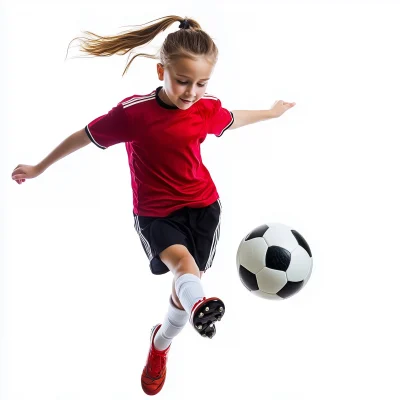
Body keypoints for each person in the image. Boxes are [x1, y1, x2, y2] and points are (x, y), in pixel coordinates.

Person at [11, 15, 296, 396]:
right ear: (162, 70)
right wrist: (38, 167)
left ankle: (160, 344)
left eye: (201, 83)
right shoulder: (134, 114)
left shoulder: (205, 108)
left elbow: (232, 119)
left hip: (204, 207)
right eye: (182, 81)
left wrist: (271, 112)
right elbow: (83, 136)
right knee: (185, 268)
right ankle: (198, 309)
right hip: (156, 213)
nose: (191, 92)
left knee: (185, 284)